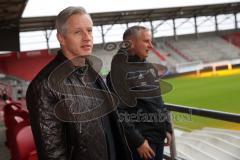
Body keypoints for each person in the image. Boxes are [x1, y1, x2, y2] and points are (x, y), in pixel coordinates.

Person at [26, 6, 132, 160]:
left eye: (89, 30)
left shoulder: (91, 72)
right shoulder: (44, 85)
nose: (87, 37)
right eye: (77, 32)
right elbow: (52, 154)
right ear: (61, 38)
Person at [107, 26, 172, 160]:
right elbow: (119, 112)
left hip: (157, 139)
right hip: (140, 145)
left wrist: (167, 127)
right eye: (146, 41)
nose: (151, 46)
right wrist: (138, 141)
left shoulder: (149, 68)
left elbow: (158, 102)